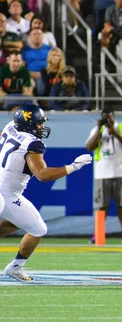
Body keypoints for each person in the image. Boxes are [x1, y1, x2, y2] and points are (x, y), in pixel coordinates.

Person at [3, 105, 92, 282]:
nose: (41, 127)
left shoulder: (10, 127)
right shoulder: (32, 143)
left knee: (22, 224)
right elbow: (42, 175)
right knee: (37, 229)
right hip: (6, 194)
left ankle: (15, 268)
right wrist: (73, 166)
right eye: (38, 124)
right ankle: (15, 267)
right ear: (29, 125)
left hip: (7, 192)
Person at [85, 109, 122, 244]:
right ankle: (98, 234)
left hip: (121, 172)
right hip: (102, 173)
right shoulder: (97, 130)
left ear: (114, 117)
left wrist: (116, 133)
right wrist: (98, 129)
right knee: (101, 206)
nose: (108, 121)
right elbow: (89, 147)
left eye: (110, 118)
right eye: (105, 118)